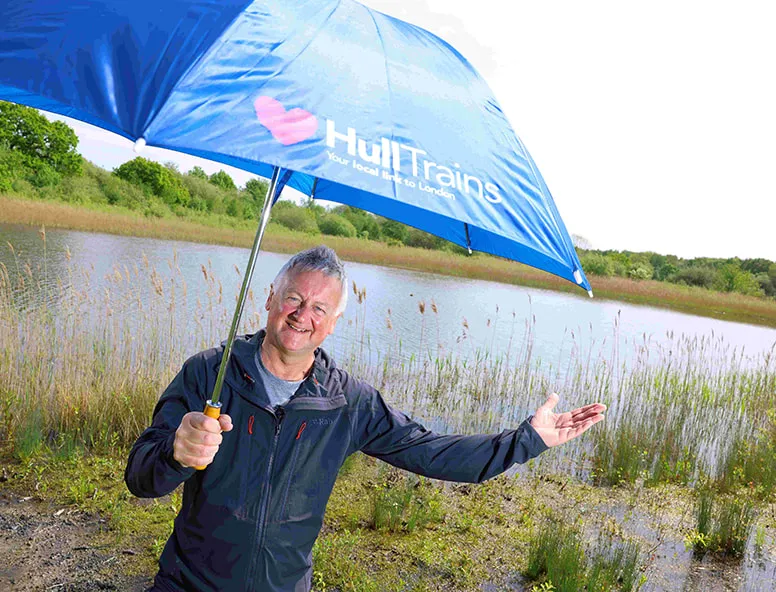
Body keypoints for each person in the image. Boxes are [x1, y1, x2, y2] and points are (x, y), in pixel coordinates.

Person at [125, 245, 605, 592]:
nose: (301, 315)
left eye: (319, 308)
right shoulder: (209, 373)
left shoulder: (347, 402)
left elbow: (433, 451)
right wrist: (175, 453)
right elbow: (140, 478)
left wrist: (528, 439)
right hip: (188, 582)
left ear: (333, 323)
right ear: (270, 299)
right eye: (293, 298)